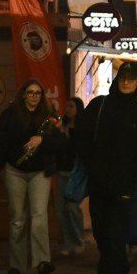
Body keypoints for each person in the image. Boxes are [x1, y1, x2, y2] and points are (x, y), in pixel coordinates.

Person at [75, 62, 137, 274]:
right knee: (103, 236)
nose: (126, 82)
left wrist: (133, 171)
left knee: (115, 237)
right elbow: (81, 136)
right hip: (99, 183)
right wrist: (93, 163)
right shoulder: (99, 106)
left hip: (124, 185)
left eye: (132, 79)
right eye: (123, 77)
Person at [0, 79, 66, 274]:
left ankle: (42, 261)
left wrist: (42, 139)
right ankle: (17, 264)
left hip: (39, 171)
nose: (34, 97)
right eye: (30, 93)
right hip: (15, 169)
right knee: (17, 219)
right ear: (23, 94)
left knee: (39, 216)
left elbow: (61, 142)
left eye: (38, 93)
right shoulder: (10, 114)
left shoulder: (49, 116)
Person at [54, 97, 88, 257]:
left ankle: (79, 240)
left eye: (71, 106)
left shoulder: (81, 129)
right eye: (67, 106)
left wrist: (64, 134)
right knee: (61, 210)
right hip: (61, 171)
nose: (68, 109)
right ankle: (68, 242)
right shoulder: (62, 126)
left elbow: (77, 148)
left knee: (72, 207)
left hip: (76, 173)